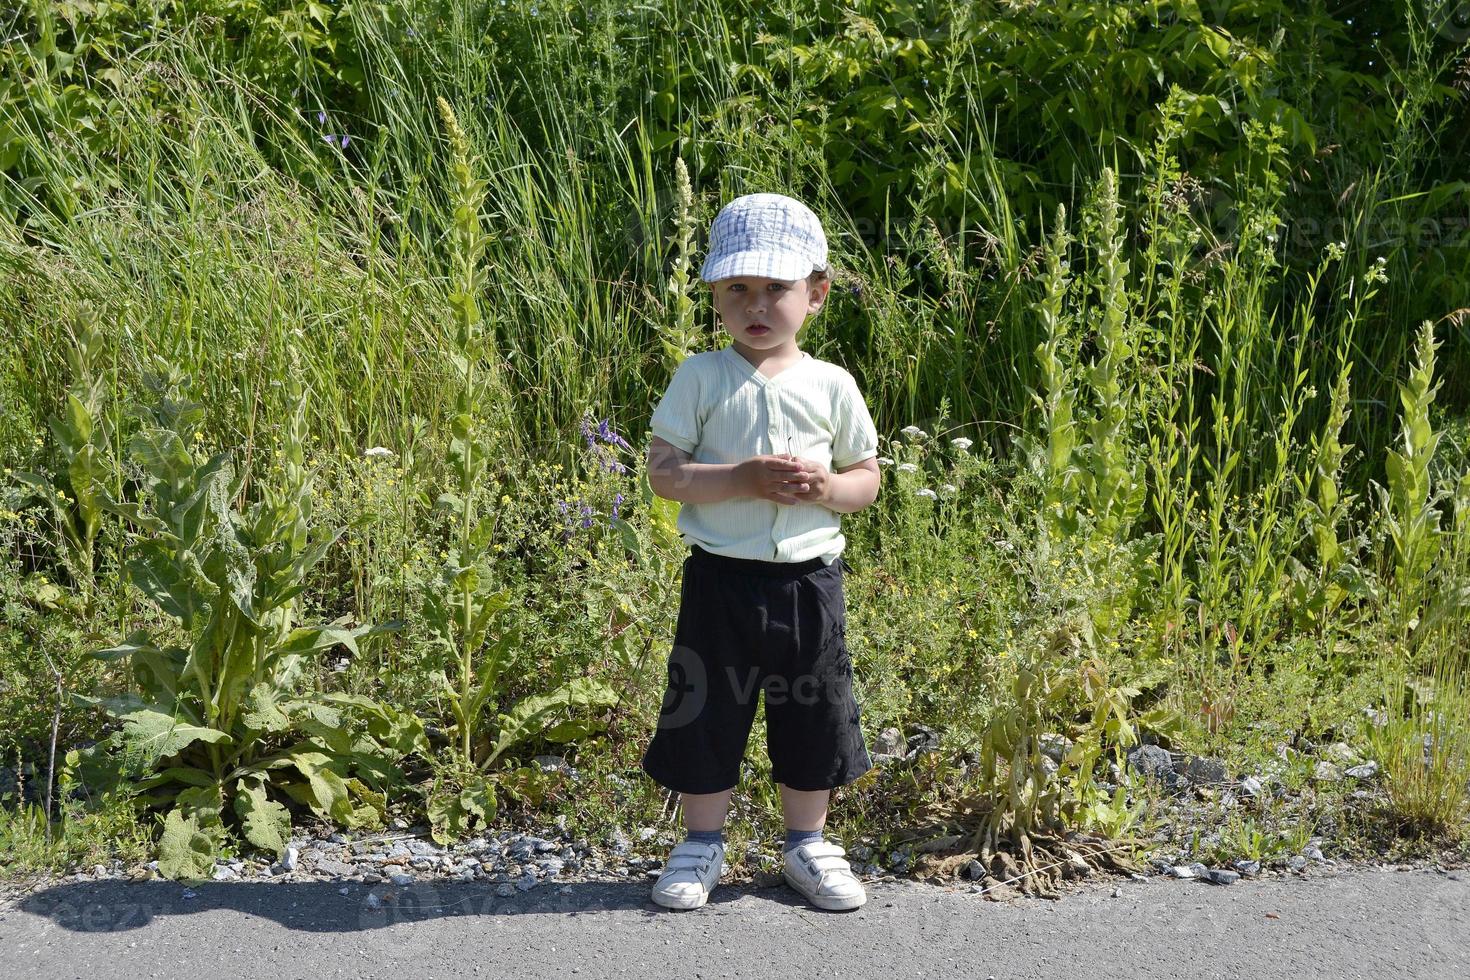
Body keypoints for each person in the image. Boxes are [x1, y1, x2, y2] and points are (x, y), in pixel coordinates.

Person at [639, 192, 881, 911]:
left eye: (776, 288)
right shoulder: (702, 376)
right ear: (714, 292)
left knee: (814, 709)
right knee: (705, 707)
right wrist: (740, 477)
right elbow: (663, 472)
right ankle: (699, 844)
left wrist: (828, 488)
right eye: (736, 288)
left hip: (810, 582)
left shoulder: (832, 383)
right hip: (720, 580)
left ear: (817, 293)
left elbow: (866, 481)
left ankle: (808, 844)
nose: (756, 304)